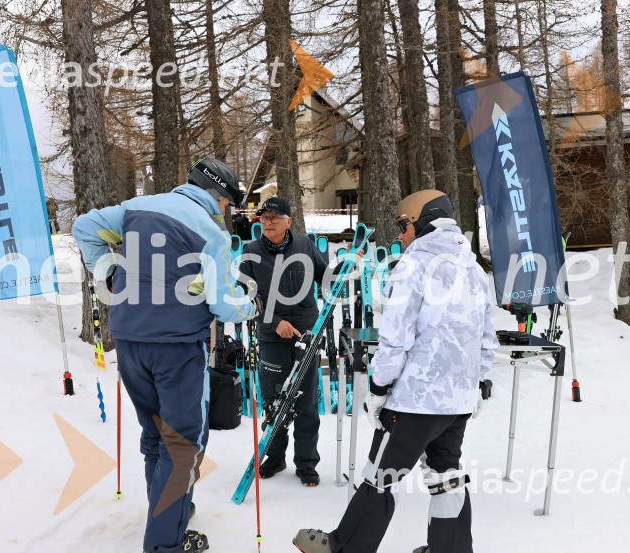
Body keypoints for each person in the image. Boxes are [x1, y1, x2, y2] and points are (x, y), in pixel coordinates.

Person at [293, 190, 498, 553]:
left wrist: (378, 387)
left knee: (381, 476)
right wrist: (477, 382)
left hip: (415, 401)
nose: (400, 235)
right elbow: (486, 337)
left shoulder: (413, 265)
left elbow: (395, 338)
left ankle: (343, 548)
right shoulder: (474, 269)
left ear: (424, 222)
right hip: (457, 401)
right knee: (446, 476)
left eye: (404, 226)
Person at [73, 157, 258, 553]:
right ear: (216, 194)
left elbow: (84, 227)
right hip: (177, 347)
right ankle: (164, 544)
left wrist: (109, 272)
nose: (225, 210)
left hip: (129, 342)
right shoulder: (210, 234)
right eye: (226, 203)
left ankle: (170, 512)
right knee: (183, 444)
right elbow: (224, 306)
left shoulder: (136, 208)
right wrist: (250, 305)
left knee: (157, 433)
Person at [239, 197, 328, 487]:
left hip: (306, 334)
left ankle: (306, 463)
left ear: (288, 221)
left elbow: (325, 277)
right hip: (271, 336)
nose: (267, 222)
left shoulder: (305, 245)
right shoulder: (251, 253)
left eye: (274, 217)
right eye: (263, 218)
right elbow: (246, 296)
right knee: (273, 401)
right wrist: (274, 322)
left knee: (306, 400)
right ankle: (275, 457)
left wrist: (342, 271)